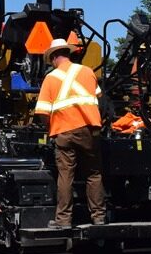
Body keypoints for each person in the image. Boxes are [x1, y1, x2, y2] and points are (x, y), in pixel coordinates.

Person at [35, 38, 107, 229]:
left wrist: (51, 128)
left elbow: (42, 111)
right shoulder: (87, 71)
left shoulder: (50, 78)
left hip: (64, 131)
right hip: (90, 130)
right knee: (94, 174)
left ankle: (64, 220)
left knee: (66, 175)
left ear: (53, 57)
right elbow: (98, 97)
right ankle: (99, 217)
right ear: (68, 53)